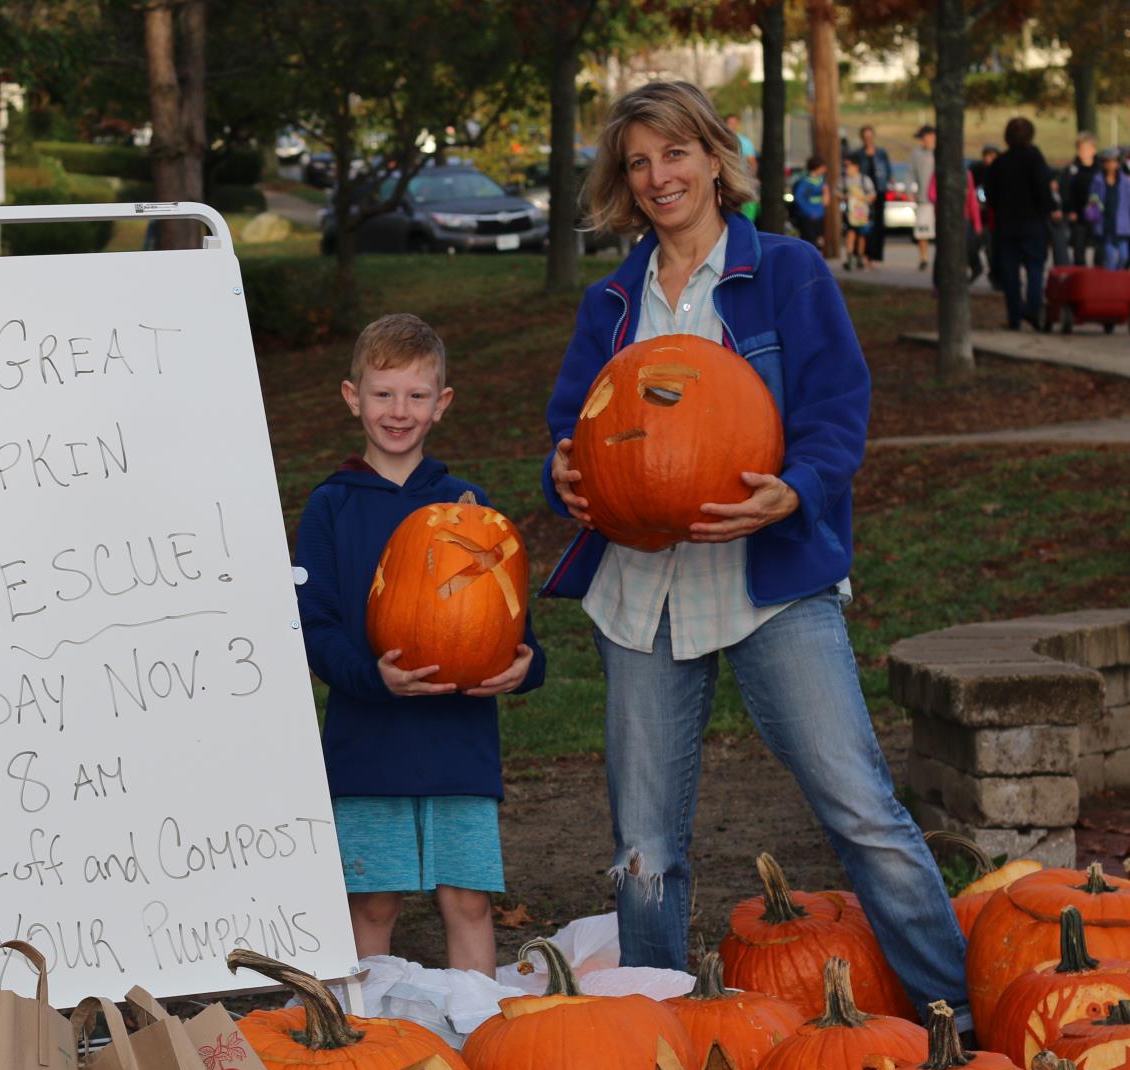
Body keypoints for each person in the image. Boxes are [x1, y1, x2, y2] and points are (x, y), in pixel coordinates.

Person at [539, 79, 969, 1019]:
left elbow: (835, 415)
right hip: (642, 590)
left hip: (766, 580)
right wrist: (562, 477)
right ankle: (667, 1037)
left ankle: (957, 1021)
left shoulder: (786, 272)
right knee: (645, 844)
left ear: (712, 156)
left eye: (675, 154)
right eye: (639, 163)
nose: (659, 177)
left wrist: (796, 489)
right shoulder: (612, 300)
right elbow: (574, 427)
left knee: (862, 809)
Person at [293, 313, 544, 976]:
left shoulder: (471, 508)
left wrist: (527, 665)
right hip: (367, 742)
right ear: (353, 398)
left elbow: (510, 617)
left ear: (442, 405)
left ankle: (475, 1040)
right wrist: (373, 677)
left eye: (415, 395)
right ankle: (364, 1042)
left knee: (467, 902)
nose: (398, 411)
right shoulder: (331, 507)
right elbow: (312, 626)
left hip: (458, 745)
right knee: (372, 905)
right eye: (383, 394)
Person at [985, 116, 1056, 330]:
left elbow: (990, 194)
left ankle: (1014, 316)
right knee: (1035, 267)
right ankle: (1032, 308)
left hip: (1006, 224)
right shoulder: (1035, 159)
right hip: (1032, 222)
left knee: (1010, 272)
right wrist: (1049, 210)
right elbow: (1043, 189)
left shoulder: (1000, 163)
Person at [854, 125, 893, 266]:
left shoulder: (881, 153)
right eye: (865, 136)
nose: (868, 139)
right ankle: (863, 255)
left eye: (870, 136)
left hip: (879, 191)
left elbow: (888, 171)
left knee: (878, 224)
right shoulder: (858, 153)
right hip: (864, 194)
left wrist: (890, 183)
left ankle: (875, 255)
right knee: (864, 224)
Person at [1061, 132, 1102, 267]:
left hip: (1098, 215)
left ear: (1093, 149)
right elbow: (1066, 191)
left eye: (1086, 148)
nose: (1083, 152)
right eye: (1080, 148)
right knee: (1078, 249)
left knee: (1099, 247)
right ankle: (1081, 277)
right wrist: (1070, 210)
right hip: (1078, 215)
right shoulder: (1072, 169)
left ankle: (1098, 275)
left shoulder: (1101, 169)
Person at [1086, 148, 1130, 270]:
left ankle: (1117, 277)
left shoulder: (1125, 181)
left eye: (1114, 161)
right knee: (1109, 257)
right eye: (1108, 162)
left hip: (1121, 223)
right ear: (1103, 163)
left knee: (1124, 256)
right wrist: (1094, 203)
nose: (1111, 165)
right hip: (1105, 223)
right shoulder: (1098, 179)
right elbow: (1092, 196)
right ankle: (1109, 281)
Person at [970, 143, 1001, 284]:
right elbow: (972, 190)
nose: (990, 159)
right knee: (971, 246)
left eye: (993, 156)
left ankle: (994, 276)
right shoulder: (976, 170)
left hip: (991, 218)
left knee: (991, 249)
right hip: (976, 216)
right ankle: (976, 267)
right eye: (988, 156)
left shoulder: (1000, 171)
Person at [841, 154, 876, 271]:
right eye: (845, 166)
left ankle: (860, 257)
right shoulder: (843, 180)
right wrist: (846, 197)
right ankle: (850, 258)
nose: (846, 168)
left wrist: (864, 198)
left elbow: (872, 194)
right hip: (849, 213)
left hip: (861, 212)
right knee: (850, 234)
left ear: (856, 167)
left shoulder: (864, 180)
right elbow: (837, 194)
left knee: (862, 235)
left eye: (848, 166)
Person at [911, 125, 937, 269]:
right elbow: (911, 173)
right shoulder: (917, 154)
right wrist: (910, 192)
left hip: (940, 201)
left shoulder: (942, 152)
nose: (923, 140)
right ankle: (924, 258)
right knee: (922, 231)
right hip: (924, 199)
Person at [726, 111, 759, 222]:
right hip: (727, 179)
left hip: (742, 179)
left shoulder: (745, 142)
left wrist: (751, 179)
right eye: (730, 123)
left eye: (734, 123)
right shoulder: (721, 141)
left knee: (746, 208)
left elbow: (752, 162)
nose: (732, 126)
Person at [790, 154, 829, 244]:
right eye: (823, 167)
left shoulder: (822, 180)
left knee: (819, 241)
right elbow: (799, 199)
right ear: (817, 167)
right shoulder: (804, 181)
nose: (825, 169)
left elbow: (825, 198)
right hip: (808, 216)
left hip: (819, 215)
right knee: (809, 241)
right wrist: (810, 212)